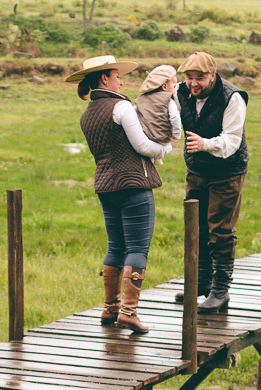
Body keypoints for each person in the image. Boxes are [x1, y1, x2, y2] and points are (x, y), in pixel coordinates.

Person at [66, 55, 174, 335]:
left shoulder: (86, 114)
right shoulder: (121, 106)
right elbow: (142, 146)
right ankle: (128, 312)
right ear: (104, 78)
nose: (121, 81)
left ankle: (110, 308)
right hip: (133, 185)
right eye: (117, 76)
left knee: (115, 247)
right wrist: (166, 149)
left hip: (105, 186)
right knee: (137, 249)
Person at [173, 51, 249, 315]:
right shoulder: (180, 91)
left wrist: (205, 144)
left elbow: (232, 140)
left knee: (220, 229)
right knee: (196, 228)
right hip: (196, 169)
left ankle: (220, 291)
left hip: (227, 171)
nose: (193, 84)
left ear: (213, 75)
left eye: (200, 78)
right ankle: (201, 283)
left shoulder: (232, 97)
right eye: (189, 77)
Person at [134, 64, 183, 164]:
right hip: (161, 136)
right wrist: (176, 134)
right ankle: (155, 161)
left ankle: (152, 161)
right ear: (164, 86)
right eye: (174, 86)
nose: (175, 90)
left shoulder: (142, 98)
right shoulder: (168, 99)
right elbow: (175, 117)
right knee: (165, 147)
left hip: (146, 135)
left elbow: (134, 112)